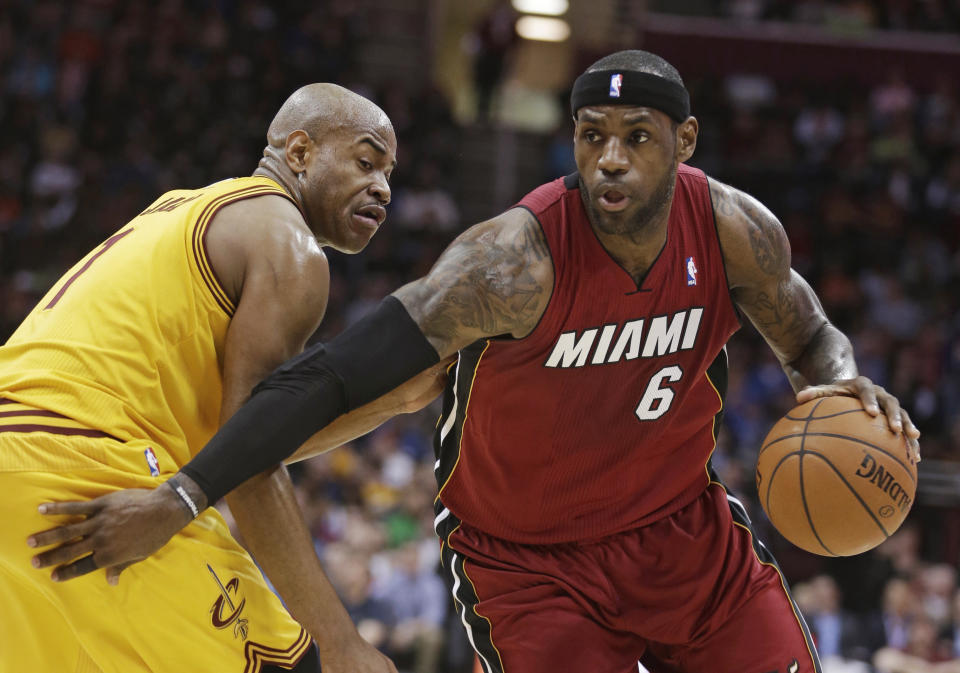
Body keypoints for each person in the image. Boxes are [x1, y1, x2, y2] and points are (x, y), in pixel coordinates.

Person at [29, 51, 922, 673]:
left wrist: (841, 385)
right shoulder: (507, 264)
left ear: (684, 142)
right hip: (529, 562)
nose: (609, 158)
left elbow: (811, 337)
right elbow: (329, 381)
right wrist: (192, 490)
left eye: (637, 136)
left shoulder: (733, 230)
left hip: (680, 532)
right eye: (590, 134)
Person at [0, 83, 449, 672]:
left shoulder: (189, 205)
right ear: (299, 152)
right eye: (366, 162)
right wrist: (343, 644)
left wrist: (388, 404)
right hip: (84, 465)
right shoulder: (289, 246)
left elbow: (242, 444)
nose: (384, 188)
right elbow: (251, 468)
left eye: (389, 173)